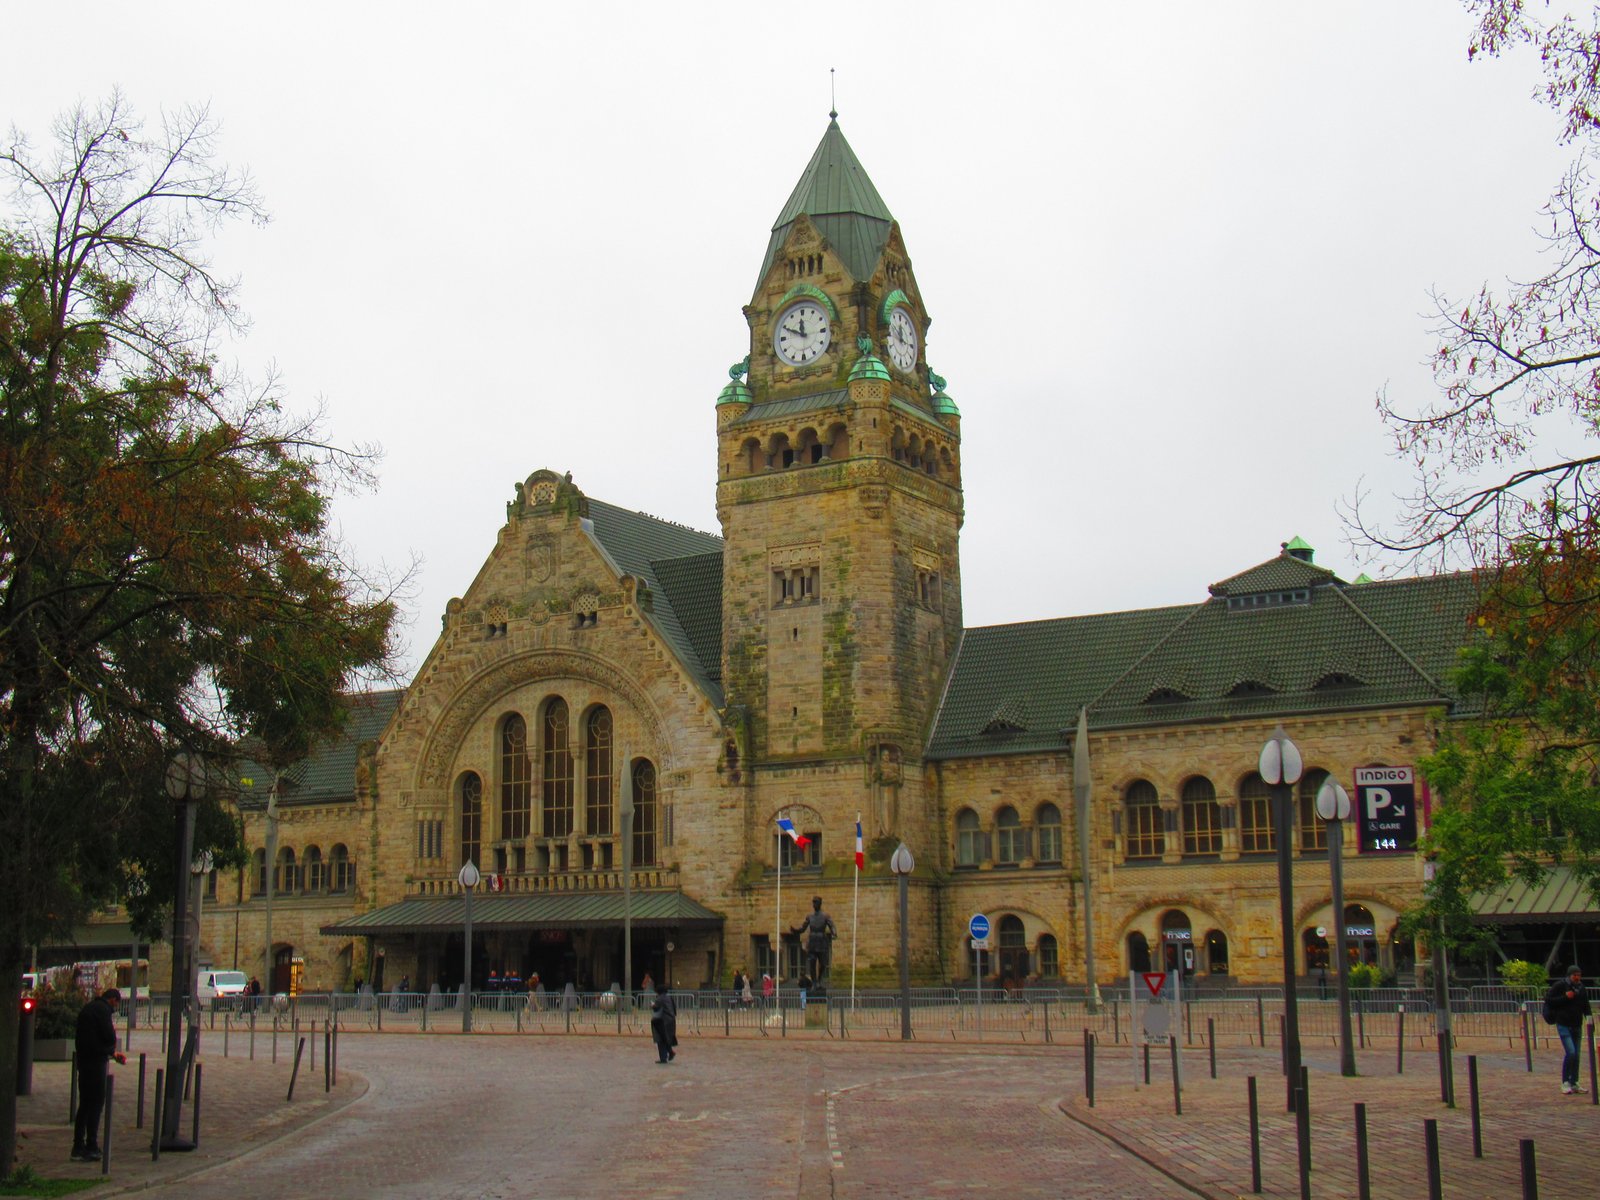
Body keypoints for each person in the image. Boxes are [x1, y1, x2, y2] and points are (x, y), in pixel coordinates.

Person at [72, 987, 125, 1162]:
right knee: (96, 1104)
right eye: (116, 1005)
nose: (115, 1008)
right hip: (96, 1063)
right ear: (113, 1000)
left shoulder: (88, 1009)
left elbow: (88, 1039)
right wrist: (111, 1049)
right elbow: (109, 1037)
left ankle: (77, 1146)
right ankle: (91, 1145)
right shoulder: (103, 1011)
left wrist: (112, 1053)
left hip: (83, 1062)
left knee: (84, 1105)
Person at [1546, 964, 1592, 1094]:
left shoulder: (1581, 988)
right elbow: (1549, 1000)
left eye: (1579, 975)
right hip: (1564, 1024)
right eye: (1574, 975)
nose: (1577, 977)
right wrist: (1565, 997)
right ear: (1569, 975)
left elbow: (1586, 1005)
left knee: (1576, 1055)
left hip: (1577, 1024)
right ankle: (1565, 1082)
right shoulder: (1560, 985)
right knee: (1571, 1052)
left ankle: (1574, 1082)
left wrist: (1590, 1020)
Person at [650, 983, 678, 1063]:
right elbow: (674, 1009)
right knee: (667, 1038)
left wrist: (652, 1005)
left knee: (660, 1039)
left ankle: (663, 1058)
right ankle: (670, 1052)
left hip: (662, 1021)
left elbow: (656, 1008)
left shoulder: (659, 999)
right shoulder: (669, 997)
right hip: (671, 1020)